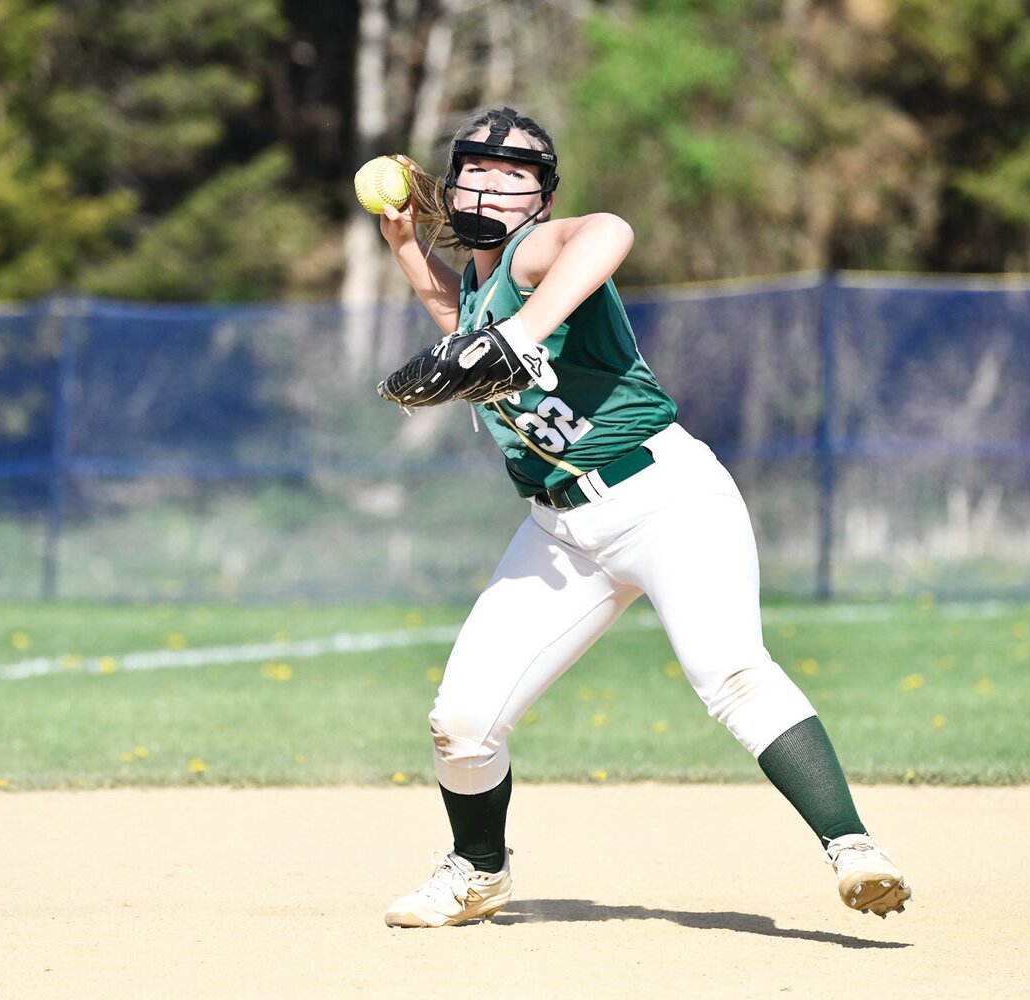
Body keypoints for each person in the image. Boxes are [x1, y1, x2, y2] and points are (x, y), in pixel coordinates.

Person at [371, 107, 911, 928]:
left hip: (666, 499)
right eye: (477, 167)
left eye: (516, 175)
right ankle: (479, 873)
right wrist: (409, 250)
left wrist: (517, 332)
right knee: (463, 721)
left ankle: (855, 848)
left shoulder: (535, 254)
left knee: (731, 674)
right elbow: (467, 330)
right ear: (451, 184)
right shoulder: (486, 289)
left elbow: (610, 232)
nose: (493, 183)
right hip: (559, 532)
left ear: (541, 202)